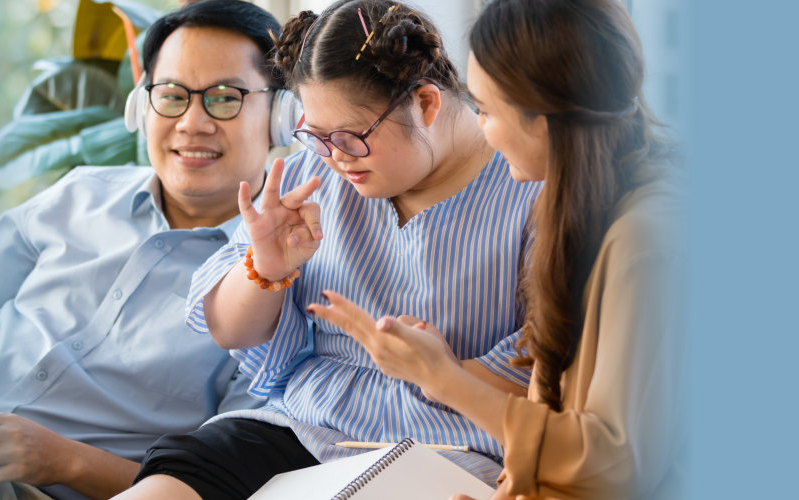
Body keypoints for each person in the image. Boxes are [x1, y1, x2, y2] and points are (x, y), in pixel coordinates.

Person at [114, 1, 540, 499]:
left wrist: (440, 374)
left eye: (351, 138)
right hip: (298, 429)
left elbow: (553, 379)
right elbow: (229, 329)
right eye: (316, 136)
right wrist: (265, 267)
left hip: (451, 450)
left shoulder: (531, 191)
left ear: (426, 103)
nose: (336, 158)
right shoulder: (309, 177)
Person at [304, 0, 679, 498]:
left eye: (484, 110)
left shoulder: (644, 243)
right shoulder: (584, 208)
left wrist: (443, 378)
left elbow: (614, 464)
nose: (478, 129)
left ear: (543, 118)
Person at [0, 2, 297, 498]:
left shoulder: (272, 290)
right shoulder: (77, 193)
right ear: (142, 106)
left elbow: (216, 485)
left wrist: (65, 461)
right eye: (172, 96)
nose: (192, 123)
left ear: (281, 115)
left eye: (224, 99)